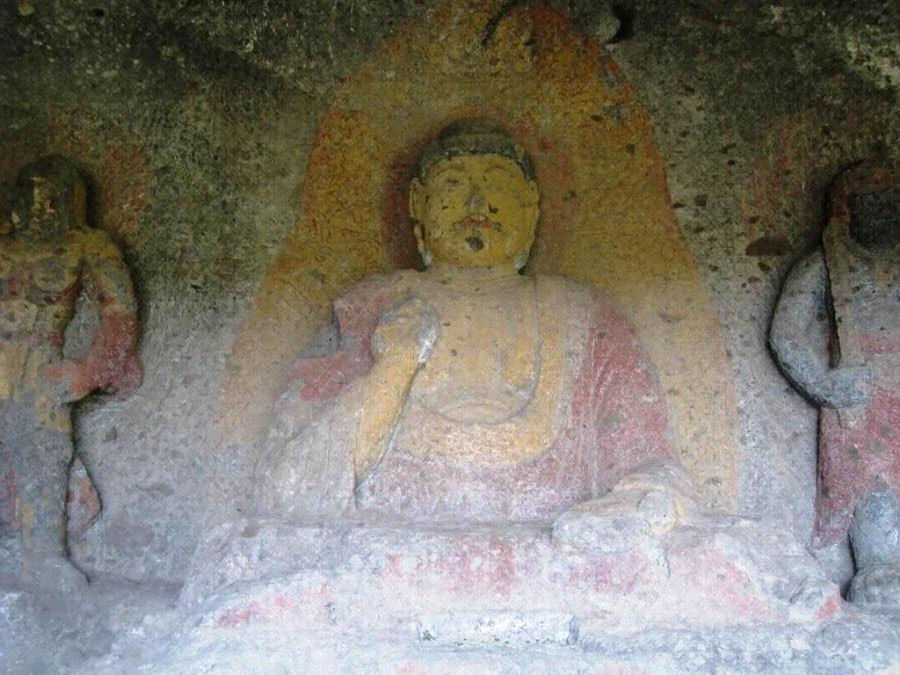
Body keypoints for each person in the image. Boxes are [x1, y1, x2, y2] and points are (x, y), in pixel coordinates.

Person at [258, 119, 678, 523]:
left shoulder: (586, 319)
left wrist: (644, 504)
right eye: (454, 183)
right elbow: (287, 489)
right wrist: (395, 369)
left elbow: (649, 472)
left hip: (552, 548)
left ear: (531, 205)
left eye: (498, 183)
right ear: (418, 203)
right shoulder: (367, 308)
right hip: (388, 544)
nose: (477, 203)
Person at [0, 155, 141, 587]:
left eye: (51, 197)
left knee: (44, 449)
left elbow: (120, 312)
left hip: (39, 359)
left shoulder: (87, 244)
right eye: (30, 193)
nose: (39, 207)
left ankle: (42, 556)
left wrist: (91, 370)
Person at [770, 160, 899, 607]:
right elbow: (786, 333)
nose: (885, 211)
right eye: (872, 202)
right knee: (869, 479)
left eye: (893, 201)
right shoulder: (826, 265)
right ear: (846, 211)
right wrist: (823, 383)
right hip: (858, 398)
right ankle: (881, 560)